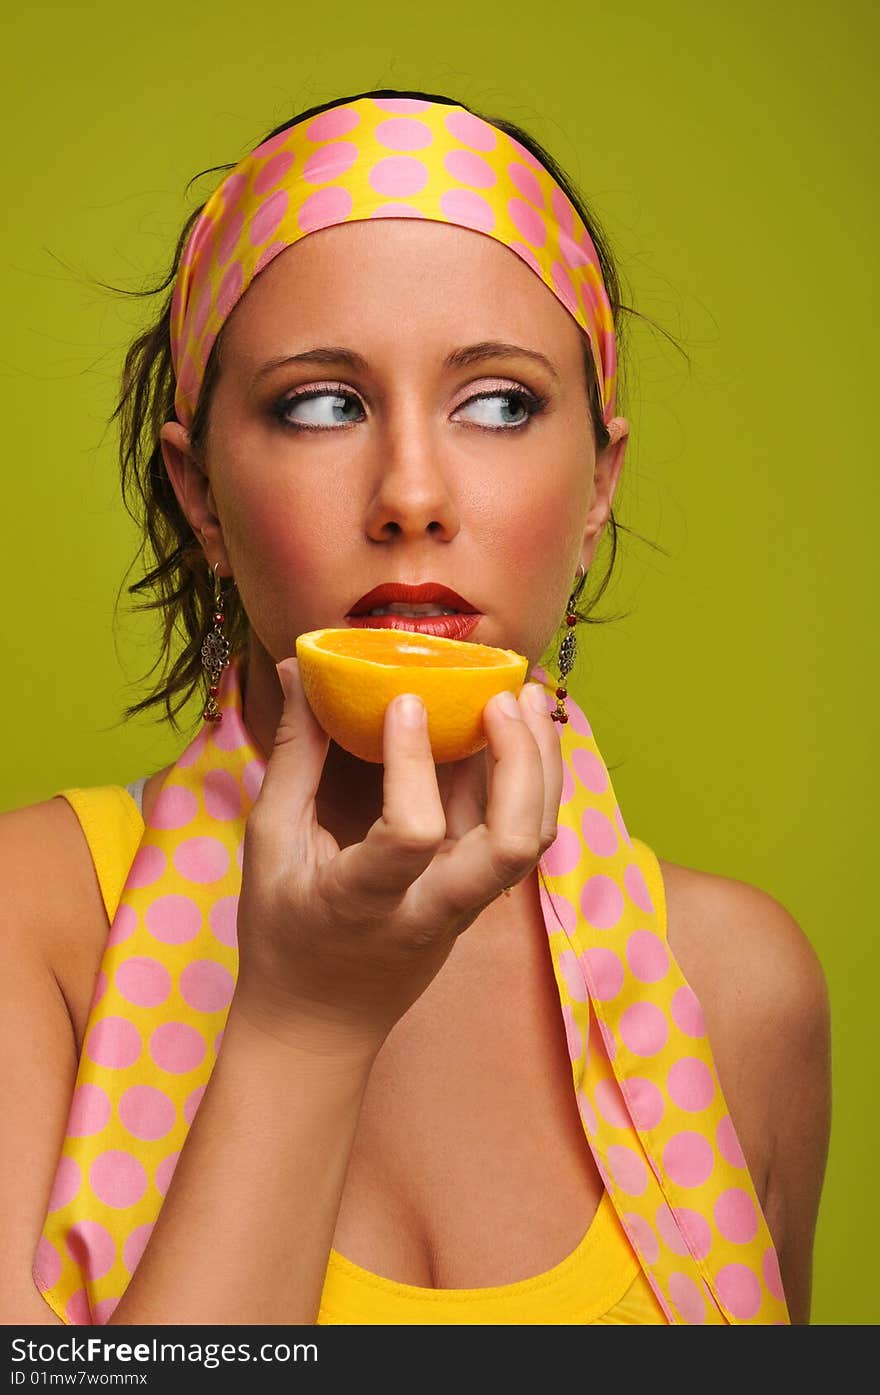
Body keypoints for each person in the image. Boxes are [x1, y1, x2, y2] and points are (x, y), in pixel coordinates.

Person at [1, 87, 830, 1327]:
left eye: (497, 402)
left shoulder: (740, 992)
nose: (411, 495)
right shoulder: (36, 935)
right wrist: (302, 1025)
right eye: (322, 403)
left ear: (599, 477)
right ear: (202, 494)